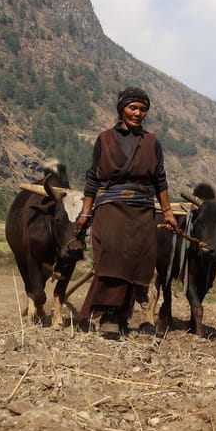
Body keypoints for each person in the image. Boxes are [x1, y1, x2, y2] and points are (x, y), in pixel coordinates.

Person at [76, 86, 179, 338]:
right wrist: (85, 213)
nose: (138, 113)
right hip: (110, 207)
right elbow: (93, 179)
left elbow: (160, 180)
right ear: (122, 109)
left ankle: (123, 315)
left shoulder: (152, 142)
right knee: (113, 256)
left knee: (140, 259)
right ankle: (108, 315)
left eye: (143, 109)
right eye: (133, 107)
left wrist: (167, 212)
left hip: (143, 209)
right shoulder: (104, 139)